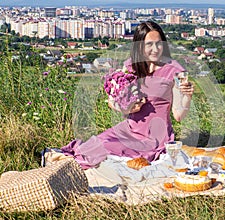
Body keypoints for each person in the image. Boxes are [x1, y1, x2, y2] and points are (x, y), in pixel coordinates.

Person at [60, 21, 194, 169]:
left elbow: (178, 115)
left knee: (104, 155)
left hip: (154, 138)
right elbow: (112, 102)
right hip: (128, 130)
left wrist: (187, 97)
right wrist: (128, 108)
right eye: (149, 44)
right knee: (90, 148)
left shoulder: (174, 70)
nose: (155, 49)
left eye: (159, 44)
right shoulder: (130, 66)